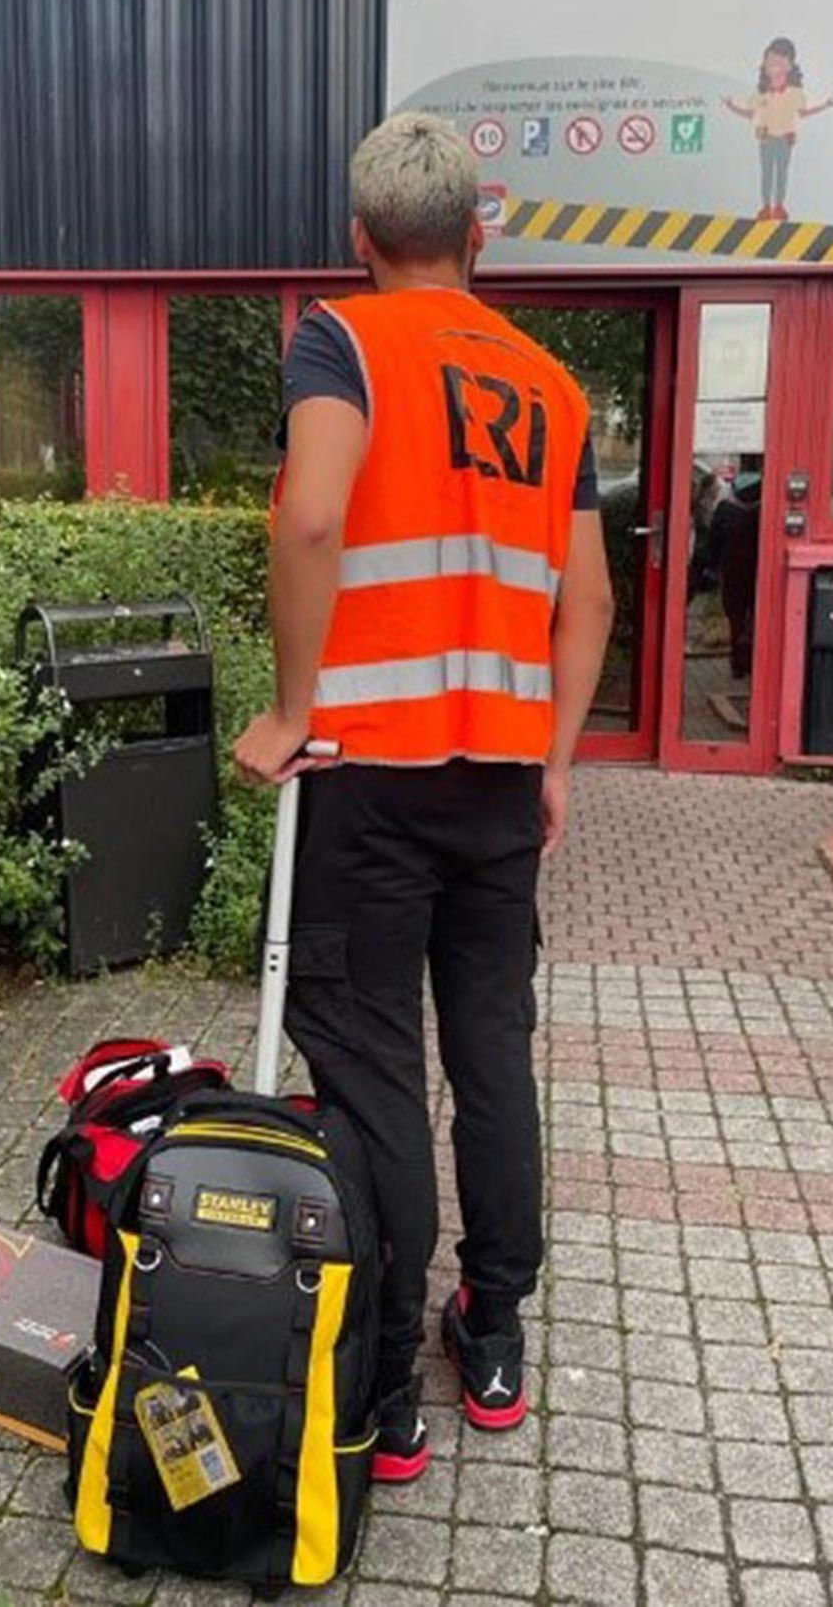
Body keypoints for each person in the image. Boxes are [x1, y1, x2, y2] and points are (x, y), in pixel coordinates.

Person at [235, 113, 614, 1484]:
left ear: (358, 239)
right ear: (480, 232)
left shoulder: (341, 337)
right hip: (503, 781)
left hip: (369, 780)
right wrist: (558, 755)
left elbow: (314, 516)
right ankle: (495, 1329)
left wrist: (287, 712)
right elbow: (592, 600)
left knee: (377, 1068)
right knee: (491, 1052)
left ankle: (385, 1381)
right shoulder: (554, 388)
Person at [723, 36, 833, 222]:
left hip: (785, 137)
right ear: (765, 65)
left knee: (782, 172)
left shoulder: (795, 93)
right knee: (766, 173)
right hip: (765, 136)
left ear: (789, 66)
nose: (773, 67)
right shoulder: (761, 92)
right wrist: (731, 106)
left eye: (779, 63)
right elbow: (750, 113)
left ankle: (780, 207)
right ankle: (766, 207)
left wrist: (825, 105)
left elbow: (803, 113)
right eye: (770, 62)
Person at [706, 460, 762, 682]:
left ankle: (739, 662)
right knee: (755, 614)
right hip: (757, 571)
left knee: (736, 616)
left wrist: (711, 567)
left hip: (732, 570)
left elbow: (713, 542)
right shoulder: (763, 511)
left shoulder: (725, 509)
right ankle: (751, 657)